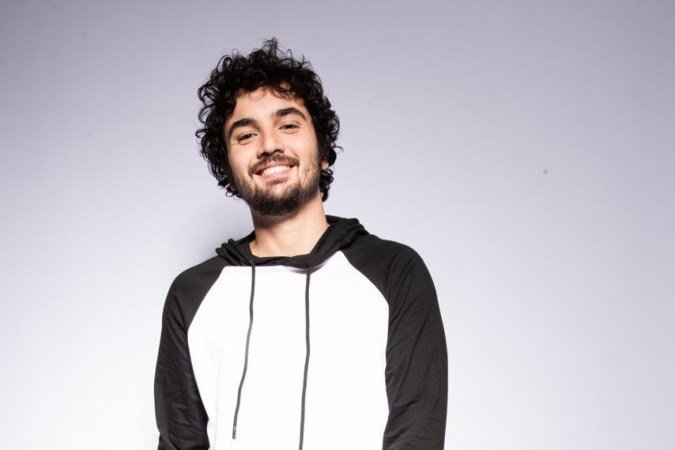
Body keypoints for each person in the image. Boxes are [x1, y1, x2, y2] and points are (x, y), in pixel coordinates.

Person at [154, 38, 448, 450]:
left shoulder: (394, 272)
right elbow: (180, 442)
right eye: (245, 135)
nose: (269, 145)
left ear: (324, 151)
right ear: (229, 168)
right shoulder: (192, 294)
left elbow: (416, 436)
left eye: (288, 125)